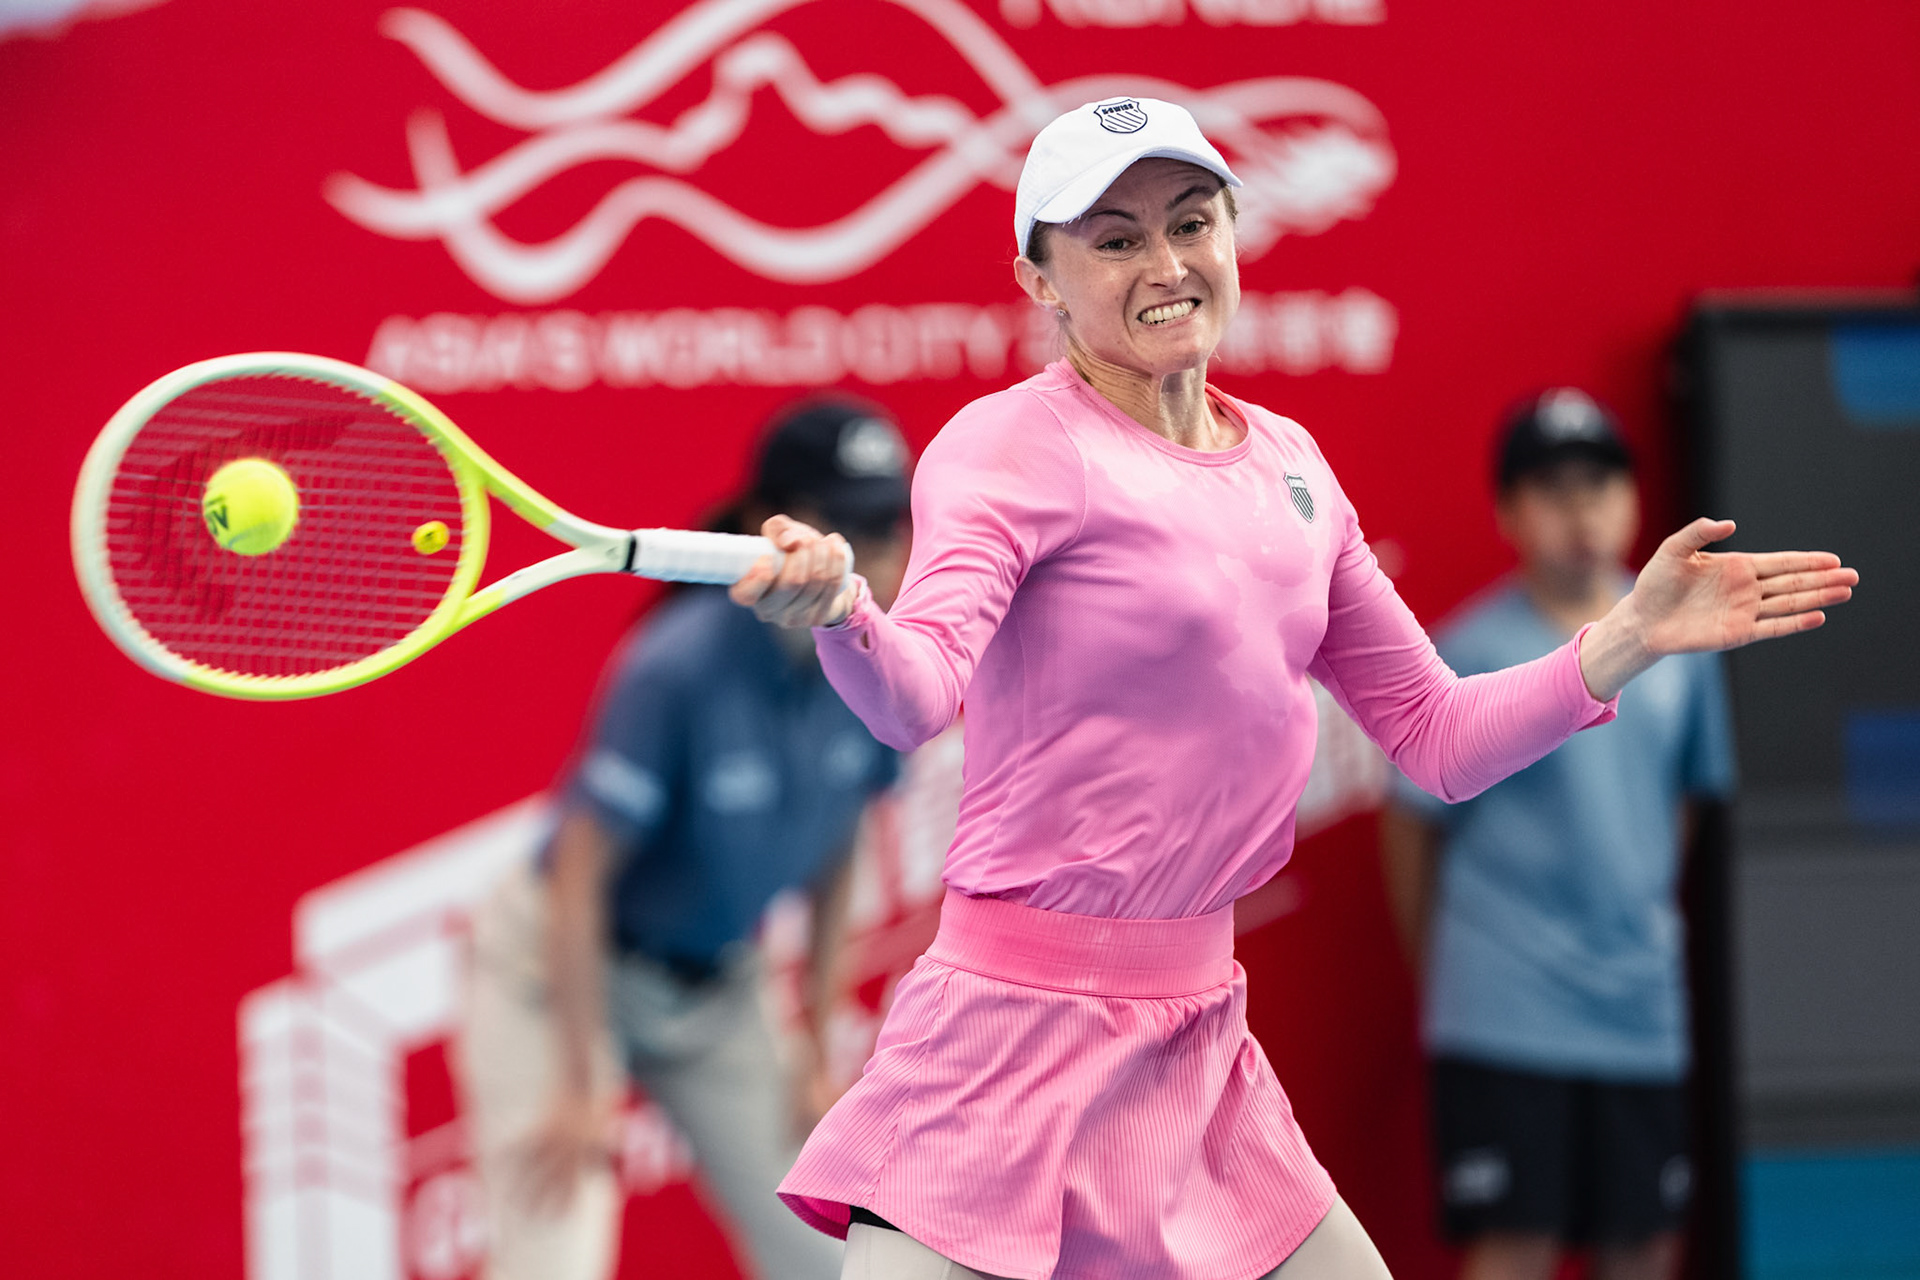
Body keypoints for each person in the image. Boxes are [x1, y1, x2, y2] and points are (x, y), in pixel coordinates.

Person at [729, 97, 1855, 1280]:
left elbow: (1436, 735)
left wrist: (1623, 638)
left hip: (1195, 1035)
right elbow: (914, 697)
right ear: (1039, 279)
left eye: (1191, 221)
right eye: (1113, 240)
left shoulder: (1293, 470)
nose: (1165, 264)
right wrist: (850, 614)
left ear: (1231, 231)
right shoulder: (1003, 447)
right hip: (1004, 1028)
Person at [456, 397, 915, 1280]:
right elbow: (579, 877)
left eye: (883, 525)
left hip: (719, 994)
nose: (871, 554)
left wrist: (814, 1053)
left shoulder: (882, 662)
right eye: (842, 526)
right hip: (555, 979)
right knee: (550, 1265)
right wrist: (583, 1080)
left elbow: (839, 849)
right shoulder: (676, 666)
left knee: (836, 1261)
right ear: (763, 526)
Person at [1378, 390, 1735, 1280]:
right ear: (1510, 511)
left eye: (1601, 483)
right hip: (1504, 1013)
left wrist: (1632, 921)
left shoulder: (1684, 649)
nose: (1581, 509)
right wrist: (1457, 974)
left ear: (1633, 500)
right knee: (1515, 1248)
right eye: (1552, 487)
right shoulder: (1462, 650)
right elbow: (1412, 827)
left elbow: (1681, 805)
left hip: (1641, 1013)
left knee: (1645, 1247)